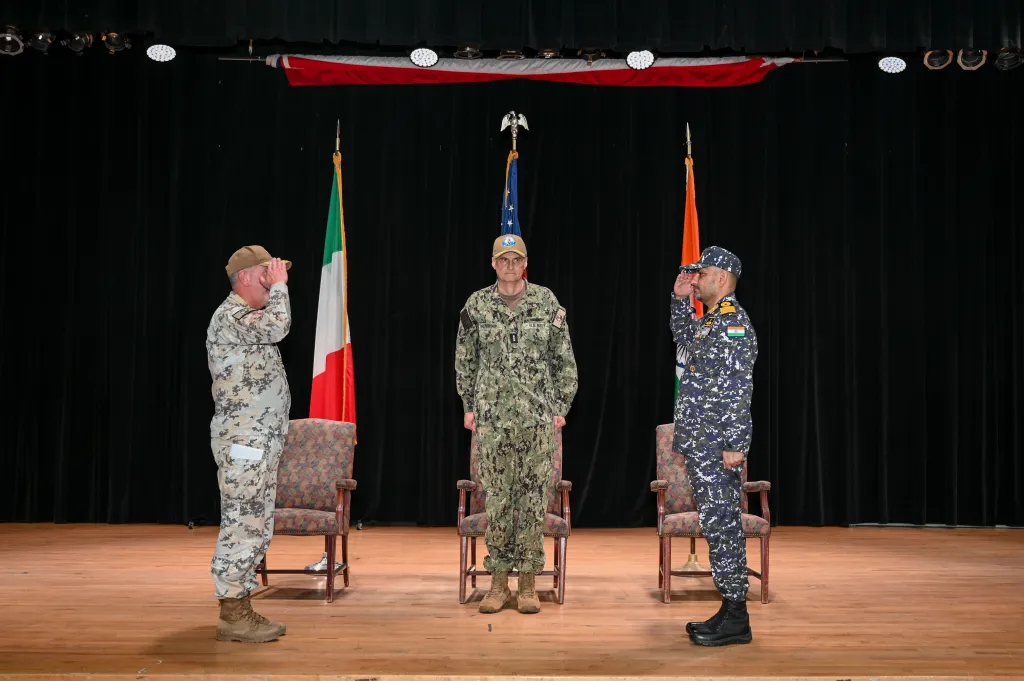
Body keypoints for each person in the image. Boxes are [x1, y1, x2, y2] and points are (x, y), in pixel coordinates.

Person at [454, 234, 578, 614]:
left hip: (537, 422)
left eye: (516, 259)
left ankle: (526, 584)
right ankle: (497, 583)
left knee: (532, 501)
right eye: (503, 259)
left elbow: (565, 361)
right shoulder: (476, 305)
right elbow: (465, 359)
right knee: (499, 501)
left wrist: (561, 406)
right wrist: (469, 404)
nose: (509, 265)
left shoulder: (546, 302)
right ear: (493, 264)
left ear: (525, 263)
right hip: (492, 421)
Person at [670, 245, 758, 646]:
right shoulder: (711, 323)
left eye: (702, 274)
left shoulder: (734, 324)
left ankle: (737, 618)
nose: (698, 279)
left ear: (722, 278)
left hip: (717, 446)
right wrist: (678, 299)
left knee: (724, 527)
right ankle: (728, 608)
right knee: (716, 527)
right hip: (701, 444)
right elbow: (684, 341)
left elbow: (739, 389)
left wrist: (735, 444)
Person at [206, 245, 293, 643]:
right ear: (244, 278)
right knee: (242, 522)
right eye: (266, 273)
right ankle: (232, 612)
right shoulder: (231, 316)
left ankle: (240, 607)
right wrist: (282, 290)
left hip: (257, 443)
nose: (273, 278)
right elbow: (279, 326)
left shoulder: (245, 318)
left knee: (256, 522)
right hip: (244, 442)